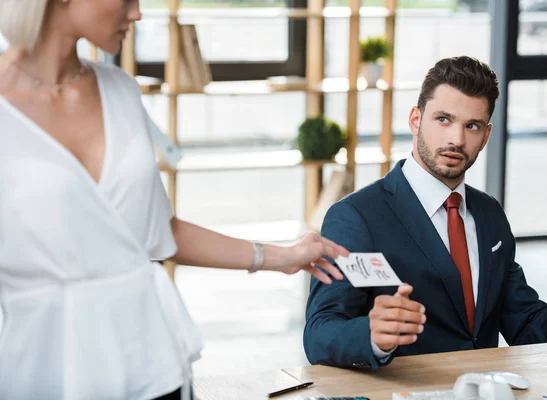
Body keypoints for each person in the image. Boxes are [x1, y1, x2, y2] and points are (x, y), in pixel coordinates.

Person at [0, 1, 348, 399]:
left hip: (151, 361)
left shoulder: (120, 90)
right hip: (45, 367)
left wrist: (282, 257)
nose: (137, 14)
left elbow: (157, 230)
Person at [303, 55, 547, 370]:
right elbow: (320, 333)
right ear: (416, 120)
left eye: (471, 126)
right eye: (443, 119)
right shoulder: (356, 216)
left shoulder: (488, 213)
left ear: (485, 136)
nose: (456, 139)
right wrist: (373, 335)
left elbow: (526, 321)